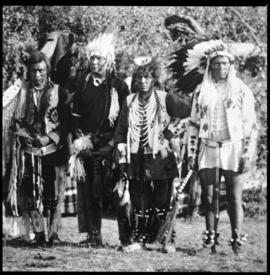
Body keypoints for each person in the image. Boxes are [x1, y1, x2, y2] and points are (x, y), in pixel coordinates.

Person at [114, 56, 191, 253]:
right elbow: (122, 129)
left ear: (154, 78)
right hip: (136, 156)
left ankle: (164, 239)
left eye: (147, 77)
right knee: (139, 198)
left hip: (161, 157)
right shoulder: (129, 100)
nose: (143, 81)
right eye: (139, 77)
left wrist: (169, 134)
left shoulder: (166, 98)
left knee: (162, 198)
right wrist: (122, 155)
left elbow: (191, 113)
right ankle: (140, 237)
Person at [187, 41, 258, 254]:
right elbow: (193, 124)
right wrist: (191, 153)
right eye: (216, 64)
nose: (221, 68)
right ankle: (210, 240)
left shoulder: (241, 90)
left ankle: (237, 240)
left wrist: (247, 154)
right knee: (209, 198)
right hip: (208, 148)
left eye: (225, 63)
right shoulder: (202, 90)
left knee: (235, 197)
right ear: (210, 66)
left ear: (231, 65)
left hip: (233, 148)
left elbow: (250, 125)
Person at [70, 30, 129, 247]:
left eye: (100, 58)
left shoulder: (119, 87)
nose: (95, 62)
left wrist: (113, 144)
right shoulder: (82, 83)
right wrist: (80, 140)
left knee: (116, 190)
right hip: (87, 145)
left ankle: (125, 237)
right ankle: (94, 235)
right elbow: (75, 115)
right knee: (88, 192)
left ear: (108, 60)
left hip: (111, 145)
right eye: (92, 58)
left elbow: (124, 119)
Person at [10, 50, 71, 246]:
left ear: (48, 71)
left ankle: (52, 234)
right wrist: (25, 137)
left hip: (52, 151)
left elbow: (66, 123)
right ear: (30, 72)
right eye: (35, 71)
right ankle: (38, 233)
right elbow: (15, 122)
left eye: (42, 71)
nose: (38, 75)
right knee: (31, 195)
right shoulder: (22, 94)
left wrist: (48, 139)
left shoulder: (59, 92)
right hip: (28, 153)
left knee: (51, 194)